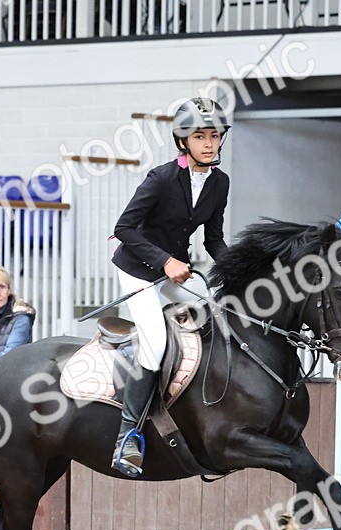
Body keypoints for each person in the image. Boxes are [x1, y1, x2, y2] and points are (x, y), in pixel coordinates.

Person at [109, 96, 231, 478]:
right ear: (182, 141)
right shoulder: (160, 178)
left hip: (175, 272)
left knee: (216, 314)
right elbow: (123, 229)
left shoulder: (220, 182)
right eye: (200, 137)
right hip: (139, 271)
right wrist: (164, 261)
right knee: (156, 342)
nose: (209, 144)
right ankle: (127, 436)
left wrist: (238, 270)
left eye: (215, 136)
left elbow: (214, 239)